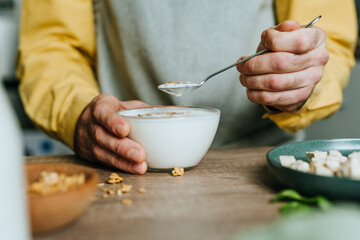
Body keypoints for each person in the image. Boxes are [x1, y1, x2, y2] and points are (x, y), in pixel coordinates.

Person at [17, 0, 357, 174]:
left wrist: (300, 76)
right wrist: (78, 111)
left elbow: (330, 45)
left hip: (259, 166)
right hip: (121, 162)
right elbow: (51, 45)